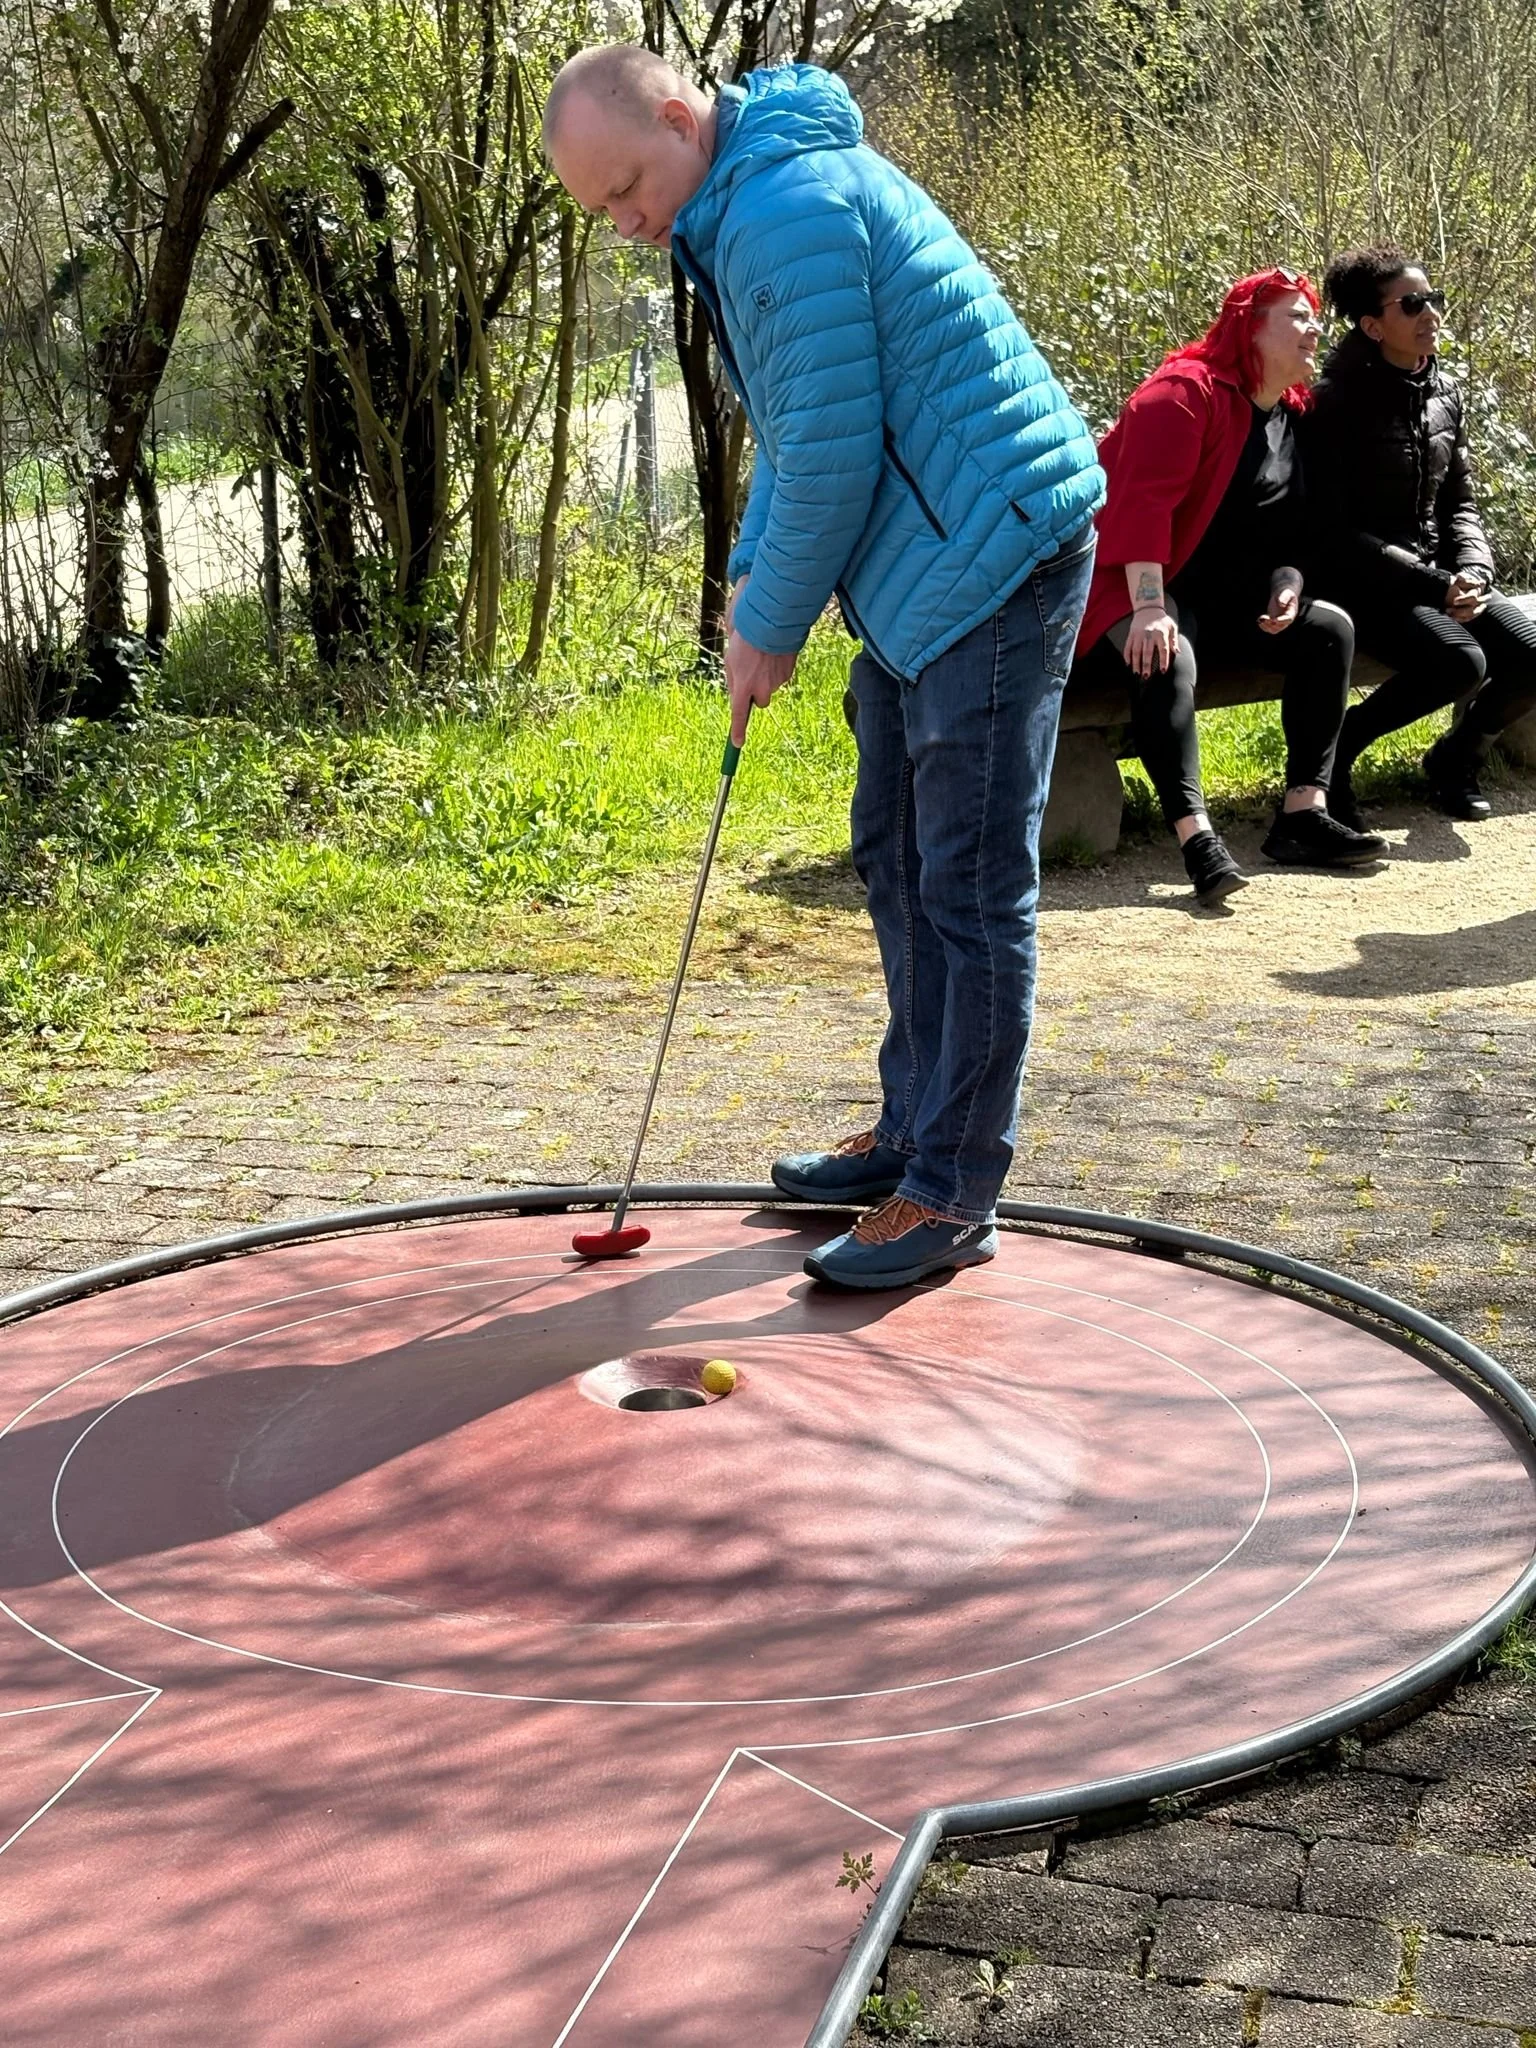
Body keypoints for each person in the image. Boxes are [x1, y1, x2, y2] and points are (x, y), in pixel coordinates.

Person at [543, 48, 1103, 1290]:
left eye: (628, 186)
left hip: (991, 546)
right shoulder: (743, 198)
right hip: (933, 557)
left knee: (964, 882)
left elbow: (839, 456)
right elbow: (802, 437)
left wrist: (770, 624)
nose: (628, 222)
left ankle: (953, 1186)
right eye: (602, 211)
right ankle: (913, 1130)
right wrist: (754, 578)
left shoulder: (782, 210)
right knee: (895, 849)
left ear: (681, 120)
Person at [1073, 269, 1387, 906]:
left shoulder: (1288, 416)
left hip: (1222, 598)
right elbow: (1140, 507)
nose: (1315, 328)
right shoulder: (1182, 393)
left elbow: (1292, 528)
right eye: (1297, 316)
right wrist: (1150, 608)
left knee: (1328, 630)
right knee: (1164, 653)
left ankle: (1303, 815)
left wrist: (1287, 584)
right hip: (1126, 580)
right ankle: (1197, 839)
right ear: (1251, 326)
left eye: (1315, 317)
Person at [1302, 246, 1536, 824]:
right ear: (1372, 325)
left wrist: (1476, 571)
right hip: (1364, 583)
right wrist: (1437, 584)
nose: (1430, 313)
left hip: (1440, 577)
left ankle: (1455, 758)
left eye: (1432, 299)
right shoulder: (1332, 403)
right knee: (1461, 661)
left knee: (1532, 654)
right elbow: (1331, 532)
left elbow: (1460, 501)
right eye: (1412, 304)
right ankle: (1337, 755)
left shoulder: (1444, 393)